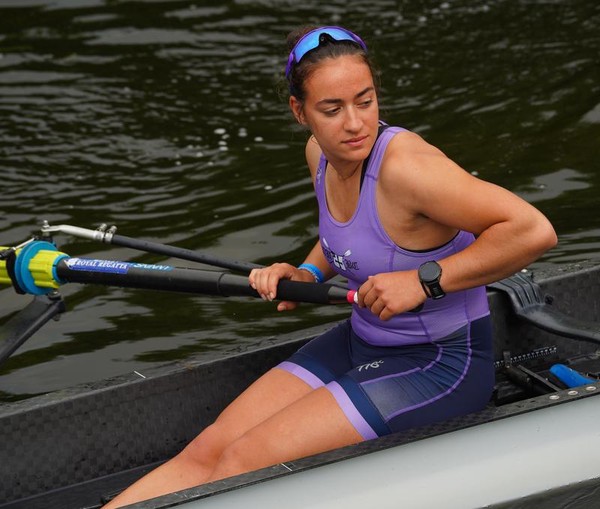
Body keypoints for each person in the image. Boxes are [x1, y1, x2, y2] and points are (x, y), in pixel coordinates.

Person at [103, 25, 557, 507]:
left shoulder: (409, 169)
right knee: (209, 450)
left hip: (441, 362)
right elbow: (350, 237)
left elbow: (532, 230)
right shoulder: (318, 155)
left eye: (365, 101)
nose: (355, 124)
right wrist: (308, 273)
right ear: (300, 112)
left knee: (243, 462)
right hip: (362, 340)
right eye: (332, 109)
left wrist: (425, 281)